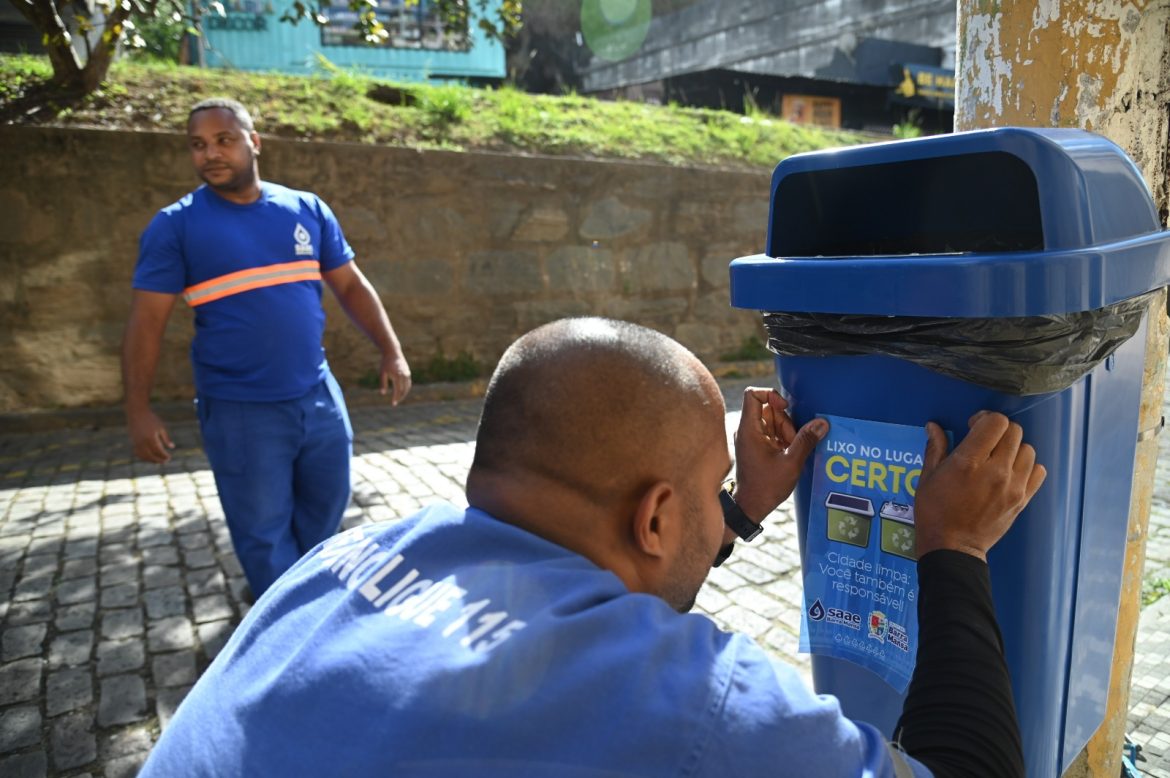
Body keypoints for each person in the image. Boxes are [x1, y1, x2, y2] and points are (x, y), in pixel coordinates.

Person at [140, 318, 1043, 777]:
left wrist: (732, 510)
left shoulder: (338, 562)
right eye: (700, 488)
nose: (713, 501)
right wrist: (954, 545)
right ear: (654, 519)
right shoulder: (690, 705)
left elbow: (591, 577)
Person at [122, 97, 411, 598]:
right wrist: (138, 410)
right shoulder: (176, 226)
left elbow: (351, 286)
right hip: (240, 410)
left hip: (317, 396)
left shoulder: (306, 209)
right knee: (263, 533)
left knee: (325, 512)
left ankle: (300, 599)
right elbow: (146, 324)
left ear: (254, 143)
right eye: (198, 145)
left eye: (224, 140)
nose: (211, 153)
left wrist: (391, 349)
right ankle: (283, 625)